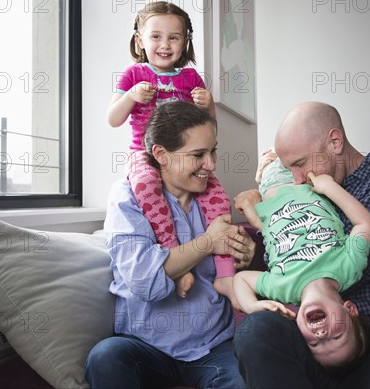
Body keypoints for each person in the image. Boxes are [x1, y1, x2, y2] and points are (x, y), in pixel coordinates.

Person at [233, 101, 370, 388]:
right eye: (288, 169)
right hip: (312, 336)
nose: (297, 179)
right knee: (255, 330)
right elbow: (284, 256)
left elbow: (344, 267)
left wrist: (281, 209)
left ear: (335, 142)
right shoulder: (300, 191)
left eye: (300, 164)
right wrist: (270, 204)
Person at [86, 101, 254, 389]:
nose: (211, 165)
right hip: (146, 346)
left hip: (213, 346)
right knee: (105, 357)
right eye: (198, 155)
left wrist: (244, 251)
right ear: (161, 155)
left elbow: (228, 265)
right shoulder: (126, 198)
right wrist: (208, 242)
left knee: (245, 381)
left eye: (213, 151)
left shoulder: (213, 202)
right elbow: (145, 280)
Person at [106, 1, 235, 301]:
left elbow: (208, 127)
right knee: (147, 189)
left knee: (217, 196)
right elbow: (113, 118)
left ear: (186, 41)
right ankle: (176, 262)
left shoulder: (190, 78)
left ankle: (226, 274)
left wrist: (209, 104)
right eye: (156, 36)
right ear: (139, 39)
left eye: (174, 37)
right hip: (143, 154)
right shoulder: (133, 74)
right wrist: (130, 96)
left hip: (180, 159)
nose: (165, 44)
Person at [234, 156, 370, 371]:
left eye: (314, 344)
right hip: (310, 181)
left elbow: (240, 279)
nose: (321, 335)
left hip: (272, 186)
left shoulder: (282, 289)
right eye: (337, 336)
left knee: (270, 158)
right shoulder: (349, 268)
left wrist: (251, 306)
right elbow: (363, 222)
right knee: (295, 139)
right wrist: (330, 187)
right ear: (350, 310)